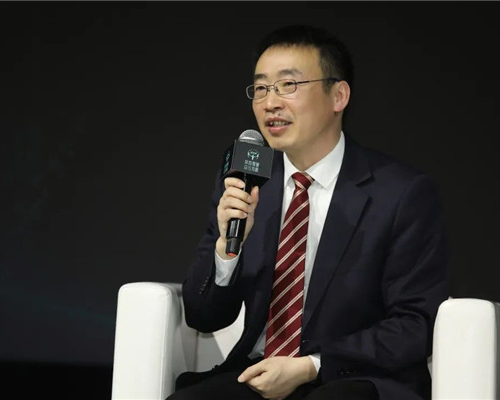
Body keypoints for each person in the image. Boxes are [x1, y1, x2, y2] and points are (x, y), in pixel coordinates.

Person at [168, 24, 449, 400]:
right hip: (259, 374)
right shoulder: (247, 184)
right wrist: (226, 251)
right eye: (261, 88)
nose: (270, 103)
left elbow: (415, 323)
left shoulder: (400, 193)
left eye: (288, 85)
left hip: (352, 379)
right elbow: (203, 317)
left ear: (339, 96)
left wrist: (312, 365)